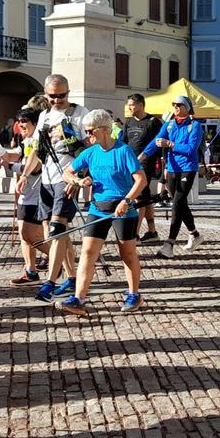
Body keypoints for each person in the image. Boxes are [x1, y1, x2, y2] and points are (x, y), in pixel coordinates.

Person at [57, 109, 148, 316]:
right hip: (97, 208)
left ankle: (134, 294)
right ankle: (78, 298)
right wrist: (78, 181)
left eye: (90, 131)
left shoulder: (123, 151)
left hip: (123, 209)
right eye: (86, 131)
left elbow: (140, 179)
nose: (87, 135)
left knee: (127, 254)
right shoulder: (89, 153)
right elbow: (67, 173)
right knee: (88, 253)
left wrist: (127, 200)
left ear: (104, 130)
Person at [17, 74, 88, 302]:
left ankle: (50, 282)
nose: (58, 100)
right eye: (53, 96)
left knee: (58, 229)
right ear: (45, 95)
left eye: (62, 95)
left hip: (67, 178)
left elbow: (90, 147)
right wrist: (25, 175)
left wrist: (78, 178)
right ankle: (72, 277)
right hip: (46, 179)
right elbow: (37, 150)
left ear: (68, 92)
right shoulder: (45, 116)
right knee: (55, 231)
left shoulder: (79, 113)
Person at [141, 95, 204, 258]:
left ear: (187, 107)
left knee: (177, 203)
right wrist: (143, 155)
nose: (175, 106)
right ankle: (195, 235)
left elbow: (191, 149)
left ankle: (169, 244)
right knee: (181, 204)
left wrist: (170, 144)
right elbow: (156, 141)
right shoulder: (169, 125)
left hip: (188, 168)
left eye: (179, 104)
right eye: (174, 104)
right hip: (172, 168)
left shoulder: (195, 126)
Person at [0, 107, 45, 286]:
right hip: (25, 195)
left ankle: (58, 257)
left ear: (35, 124)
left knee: (31, 236)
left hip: (37, 195)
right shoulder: (25, 141)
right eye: (19, 122)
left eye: (25, 122)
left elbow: (35, 168)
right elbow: (10, 155)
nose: (21, 125)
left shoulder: (38, 142)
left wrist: (11, 167)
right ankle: (31, 271)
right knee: (24, 236)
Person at [121, 93, 164, 241]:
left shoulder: (153, 122)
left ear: (140, 104)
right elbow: (123, 142)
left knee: (139, 197)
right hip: (129, 163)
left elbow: (159, 143)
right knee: (145, 198)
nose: (130, 107)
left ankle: (135, 233)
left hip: (146, 163)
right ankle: (152, 232)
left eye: (132, 104)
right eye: (129, 105)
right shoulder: (128, 122)